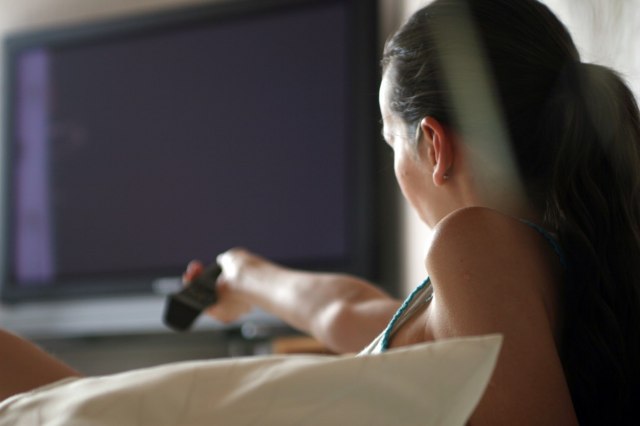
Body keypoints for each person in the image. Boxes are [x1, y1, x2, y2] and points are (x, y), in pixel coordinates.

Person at [1, 0, 638, 424]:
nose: (395, 166)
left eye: (391, 142)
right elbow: (349, 311)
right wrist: (245, 275)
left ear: (434, 145)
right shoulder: (522, 265)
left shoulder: (474, 241)